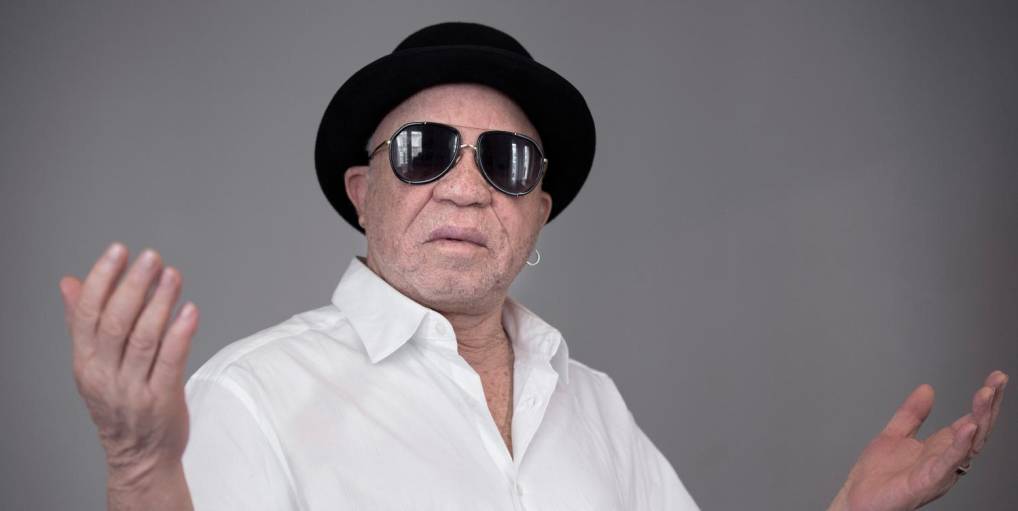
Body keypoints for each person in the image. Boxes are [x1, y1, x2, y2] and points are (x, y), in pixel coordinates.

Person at [58, 22, 1007, 510]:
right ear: (361, 190)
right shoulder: (250, 395)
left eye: (507, 162)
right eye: (424, 151)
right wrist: (141, 471)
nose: (467, 188)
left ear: (537, 209)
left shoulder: (591, 402)